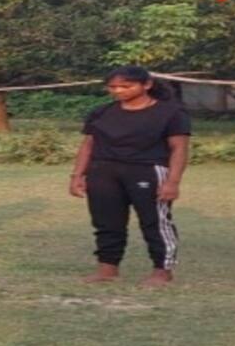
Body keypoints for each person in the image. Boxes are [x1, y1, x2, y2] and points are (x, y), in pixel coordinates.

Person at [71, 66, 191, 286]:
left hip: (147, 170)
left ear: (146, 85)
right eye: (113, 87)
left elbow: (179, 148)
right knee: (106, 222)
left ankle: (162, 270)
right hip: (103, 171)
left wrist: (173, 182)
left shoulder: (170, 113)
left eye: (126, 86)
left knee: (154, 222)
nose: (118, 91)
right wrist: (77, 175)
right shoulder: (101, 112)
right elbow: (88, 145)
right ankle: (107, 269)